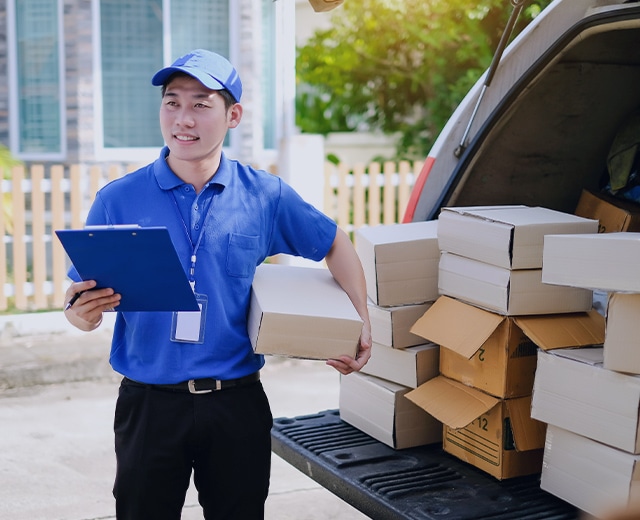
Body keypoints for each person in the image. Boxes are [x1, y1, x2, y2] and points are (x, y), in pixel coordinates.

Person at [63, 49, 372, 520]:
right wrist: (78, 316)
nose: (183, 119)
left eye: (201, 104)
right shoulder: (118, 200)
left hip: (237, 402)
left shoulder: (265, 195)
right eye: (172, 102)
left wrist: (359, 324)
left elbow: (336, 243)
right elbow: (80, 302)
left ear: (233, 116)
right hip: (148, 404)